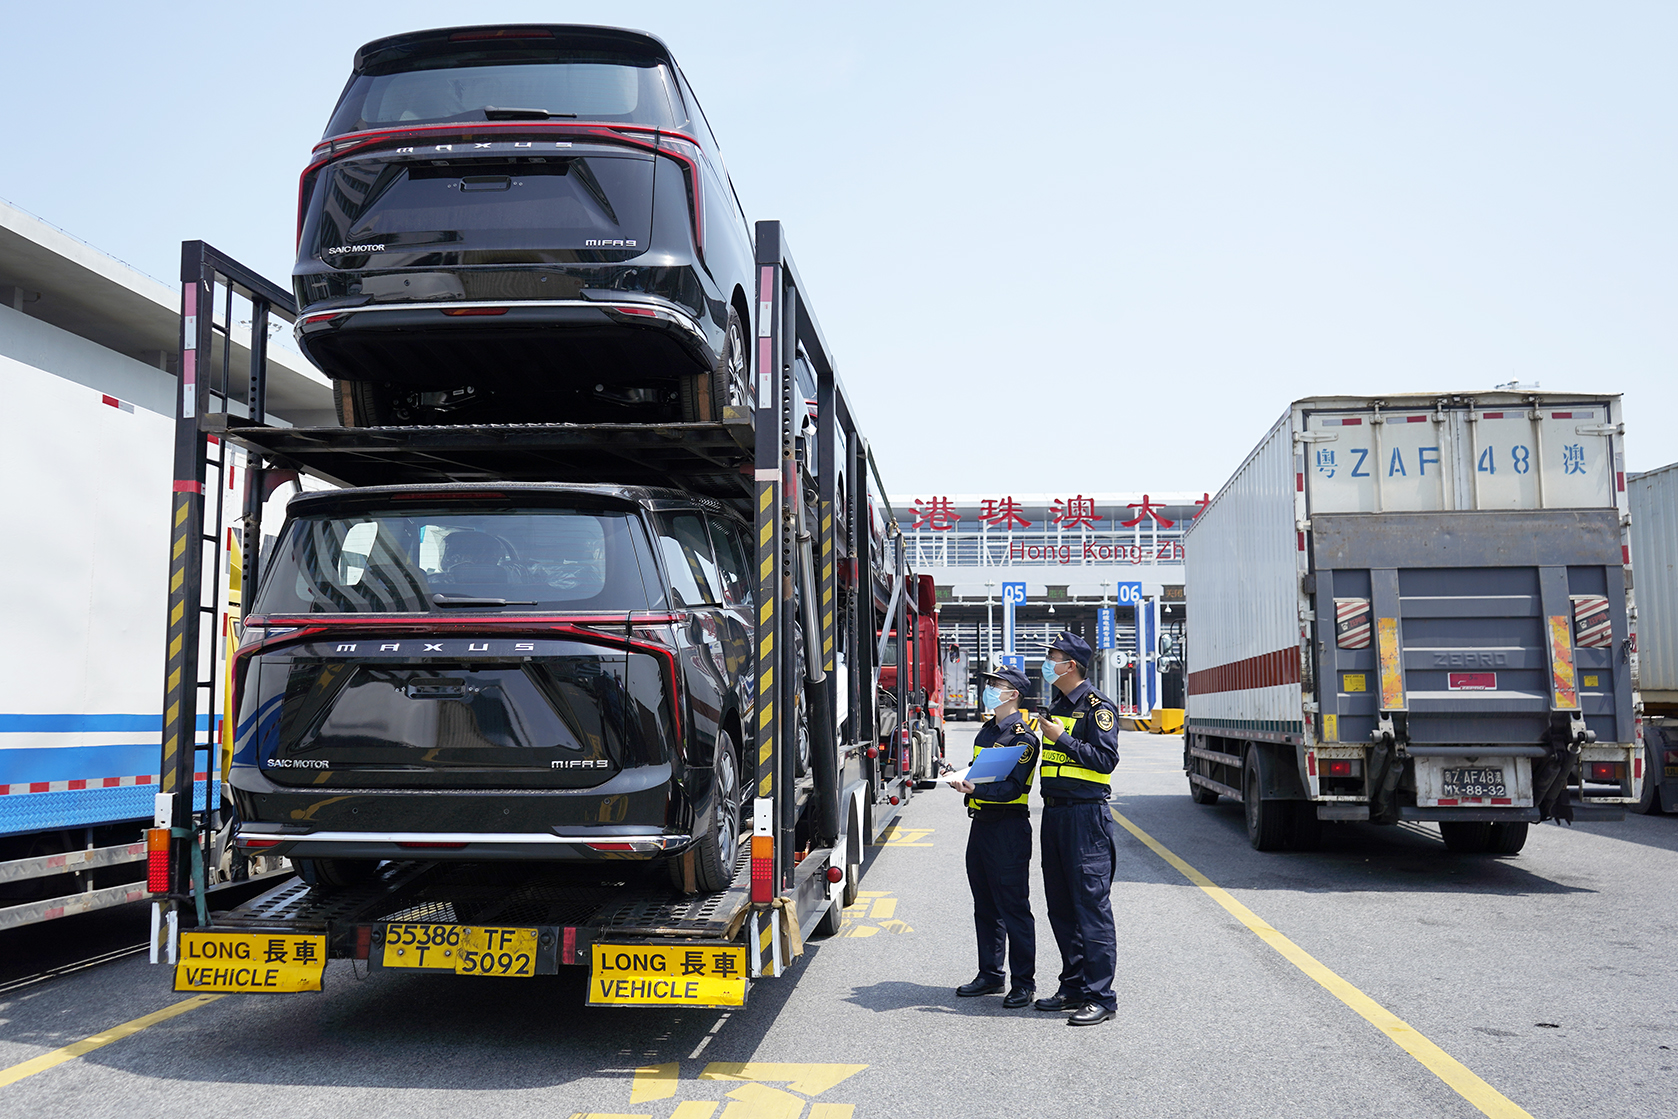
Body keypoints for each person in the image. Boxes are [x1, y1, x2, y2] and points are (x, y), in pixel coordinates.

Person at [1032, 631, 1120, 1026]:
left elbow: (1105, 760)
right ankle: (1072, 986)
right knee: (1061, 907)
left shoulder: (1098, 707)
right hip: (1054, 815)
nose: (1046, 663)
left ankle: (1101, 996)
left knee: (1091, 908)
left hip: (1086, 817)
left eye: (1052, 657)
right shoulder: (1057, 704)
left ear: (1071, 665)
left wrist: (1061, 737)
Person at [949, 664, 1039, 1009]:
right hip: (982, 824)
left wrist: (974, 789)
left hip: (1008, 827)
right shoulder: (986, 732)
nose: (988, 690)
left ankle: (1023, 983)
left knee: (1013, 908)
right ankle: (990, 974)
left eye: (995, 685)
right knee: (984, 905)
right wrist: (959, 778)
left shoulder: (1023, 738)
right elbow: (981, 776)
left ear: (1012, 694)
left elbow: (1010, 787)